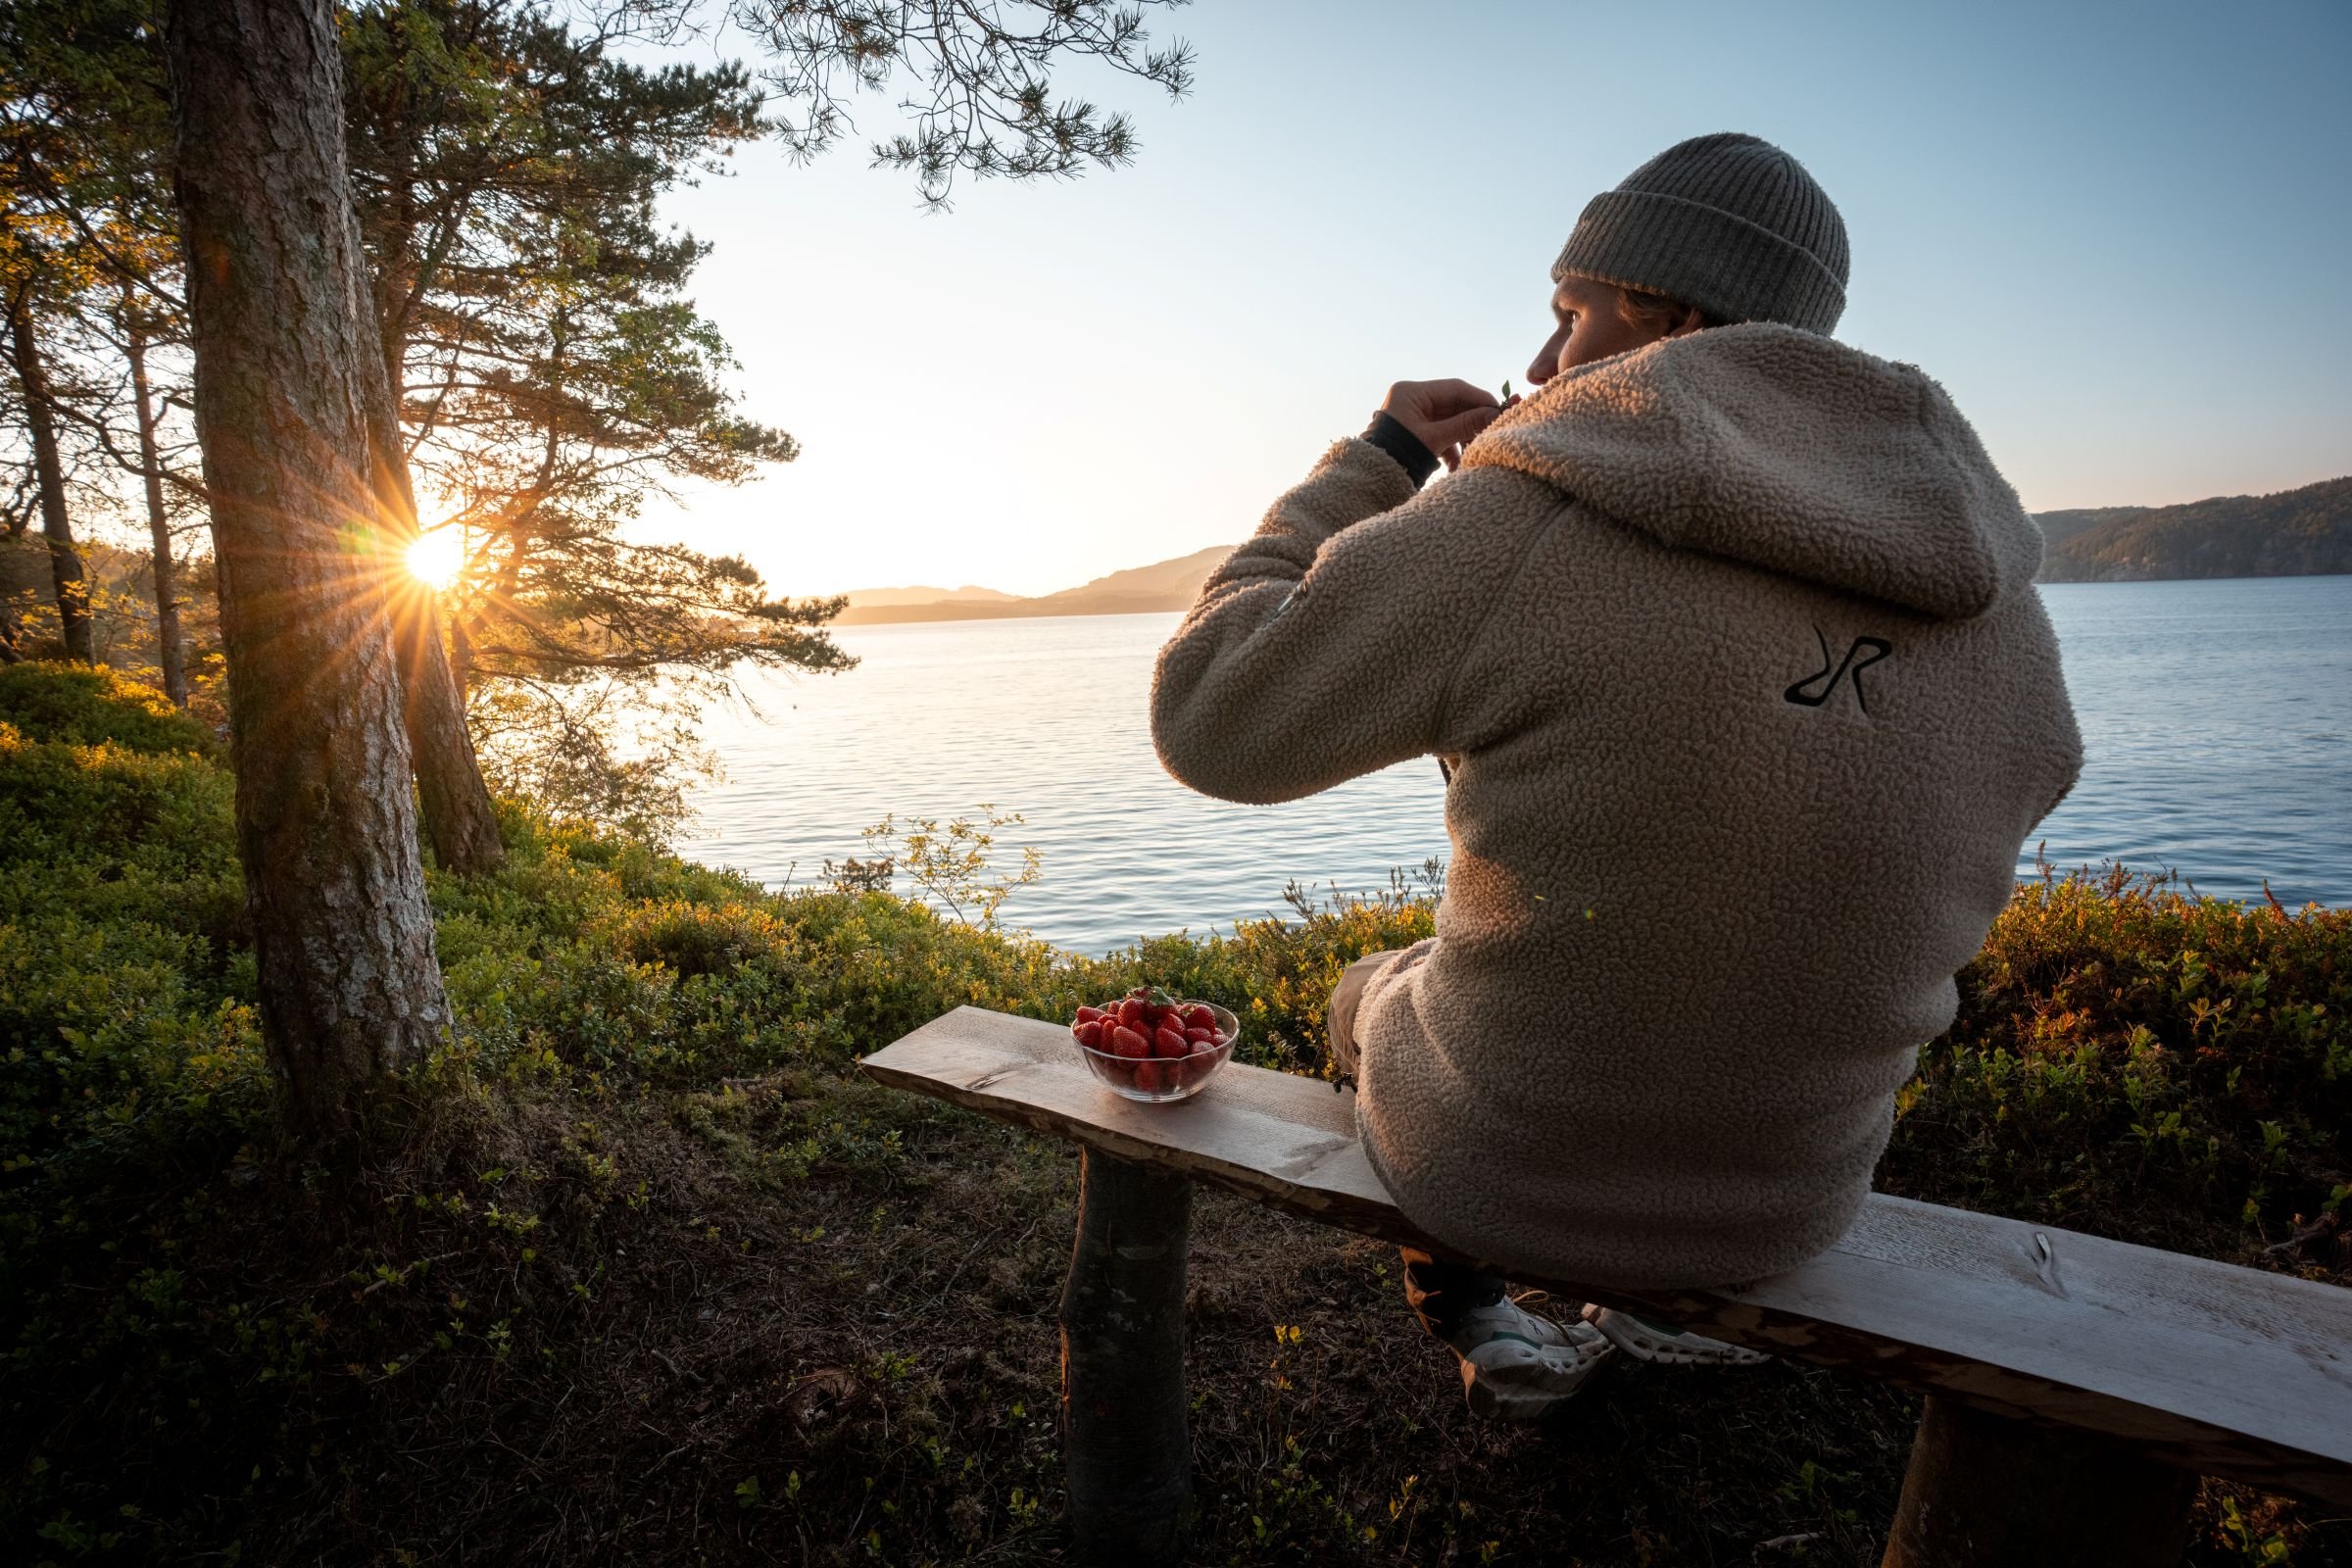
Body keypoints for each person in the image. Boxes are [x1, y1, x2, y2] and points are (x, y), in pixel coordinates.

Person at [1150, 132, 2083, 1421]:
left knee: (1381, 986)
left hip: (1504, 1176)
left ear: (1666, 316)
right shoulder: (2002, 612)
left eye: (1567, 313)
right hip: (1788, 1203)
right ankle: (1660, 1310)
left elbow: (1214, 719)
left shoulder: (1521, 518)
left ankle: (1483, 1319)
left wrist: (1372, 468)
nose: (1539, 367)